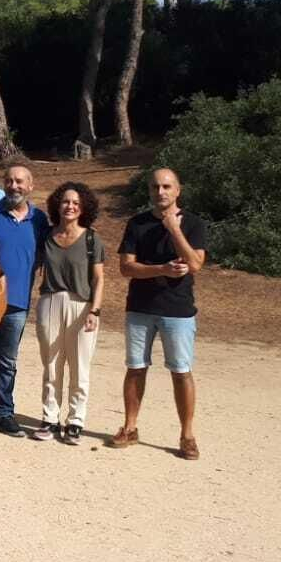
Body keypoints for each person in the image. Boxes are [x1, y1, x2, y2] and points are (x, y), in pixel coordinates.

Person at [110, 167, 207, 460]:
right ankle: (130, 427)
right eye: (155, 187)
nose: (160, 192)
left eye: (166, 186)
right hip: (140, 308)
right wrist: (162, 269)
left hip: (178, 310)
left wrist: (174, 229)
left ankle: (187, 435)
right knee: (135, 367)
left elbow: (195, 264)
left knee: (181, 371)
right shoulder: (137, 223)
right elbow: (126, 267)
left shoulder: (193, 223)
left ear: (178, 190)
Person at [0, 161, 49, 438]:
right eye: (9, 180)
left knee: (7, 361)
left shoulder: (39, 219)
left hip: (18, 302)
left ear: (30, 186)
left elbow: (45, 252)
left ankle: (3, 413)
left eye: (20, 181)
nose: (14, 186)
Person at [32, 181, 104, 444]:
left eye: (75, 202)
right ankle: (50, 418)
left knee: (79, 365)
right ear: (57, 205)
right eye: (65, 201)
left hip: (82, 305)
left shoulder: (91, 239)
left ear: (83, 207)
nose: (70, 206)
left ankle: (75, 421)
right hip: (50, 301)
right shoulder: (47, 236)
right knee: (51, 365)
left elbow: (98, 279)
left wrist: (95, 311)